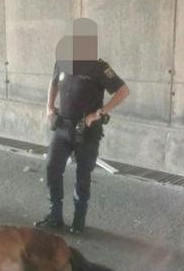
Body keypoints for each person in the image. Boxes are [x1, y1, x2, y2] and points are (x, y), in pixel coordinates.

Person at [35, 18, 130, 233]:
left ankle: (78, 222)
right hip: (62, 127)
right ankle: (55, 216)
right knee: (52, 169)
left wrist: (100, 113)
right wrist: (49, 107)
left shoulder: (99, 66)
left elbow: (123, 90)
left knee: (83, 176)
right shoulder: (62, 61)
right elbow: (53, 84)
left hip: (86, 131)